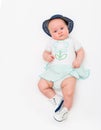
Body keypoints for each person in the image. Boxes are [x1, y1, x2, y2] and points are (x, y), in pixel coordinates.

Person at [38, 14, 90, 122]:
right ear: (51, 34)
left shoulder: (72, 41)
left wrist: (78, 60)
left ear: (67, 28)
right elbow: (45, 53)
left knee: (69, 92)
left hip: (68, 72)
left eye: (62, 28)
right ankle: (56, 98)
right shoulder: (51, 42)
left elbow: (80, 51)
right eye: (55, 31)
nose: (60, 32)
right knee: (41, 85)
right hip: (53, 72)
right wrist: (47, 56)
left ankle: (65, 109)